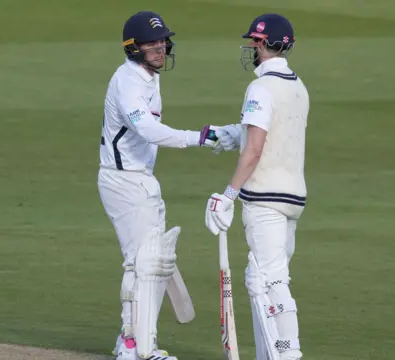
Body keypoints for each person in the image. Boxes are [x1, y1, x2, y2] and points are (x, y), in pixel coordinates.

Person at [98, 10, 222, 360]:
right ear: (133, 47)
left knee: (149, 263)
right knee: (142, 264)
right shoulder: (129, 81)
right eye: (151, 43)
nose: (160, 48)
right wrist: (196, 138)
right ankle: (135, 346)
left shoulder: (147, 76)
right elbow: (146, 130)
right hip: (124, 181)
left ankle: (132, 342)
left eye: (162, 41)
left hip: (140, 179)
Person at [205, 13, 309, 360]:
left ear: (264, 44)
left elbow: (254, 149)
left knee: (268, 282)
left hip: (263, 197)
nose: (252, 47)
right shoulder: (297, 86)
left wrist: (228, 195)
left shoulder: (261, 87)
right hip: (293, 197)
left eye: (255, 41)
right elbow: (266, 132)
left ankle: (288, 355)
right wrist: (228, 133)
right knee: (268, 278)